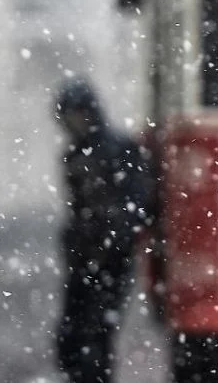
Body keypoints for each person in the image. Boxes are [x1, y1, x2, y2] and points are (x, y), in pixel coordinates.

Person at [53, 78, 153, 383]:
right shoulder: (76, 154)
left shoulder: (116, 149)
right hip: (86, 257)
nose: (74, 123)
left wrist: (111, 234)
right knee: (73, 336)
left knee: (95, 335)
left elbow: (139, 201)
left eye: (77, 115)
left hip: (110, 258)